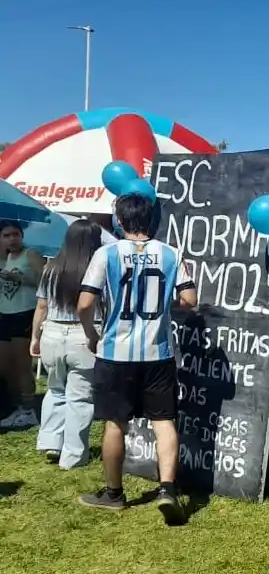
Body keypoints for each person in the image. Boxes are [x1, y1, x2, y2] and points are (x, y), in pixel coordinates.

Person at [76, 194, 198, 525]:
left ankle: (114, 493)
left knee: (115, 423)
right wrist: (162, 307)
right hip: (158, 353)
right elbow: (190, 299)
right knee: (164, 421)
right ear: (151, 220)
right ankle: (168, 489)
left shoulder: (106, 253)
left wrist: (91, 334)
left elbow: (85, 304)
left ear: (119, 220)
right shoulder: (172, 253)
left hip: (116, 352)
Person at [31, 220, 104, 468]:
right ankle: (73, 455)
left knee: (55, 389)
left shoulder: (51, 267)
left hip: (52, 331)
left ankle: (51, 442)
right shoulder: (97, 268)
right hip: (84, 334)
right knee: (80, 396)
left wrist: (35, 337)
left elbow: (41, 306)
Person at [0, 220, 46, 429]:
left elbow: (44, 283)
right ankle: (17, 407)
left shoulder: (31, 254)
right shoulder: (5, 257)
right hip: (5, 314)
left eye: (15, 234)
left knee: (22, 365)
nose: (12, 239)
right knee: (6, 366)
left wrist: (20, 278)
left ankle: (29, 410)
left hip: (24, 314)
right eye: (7, 235)